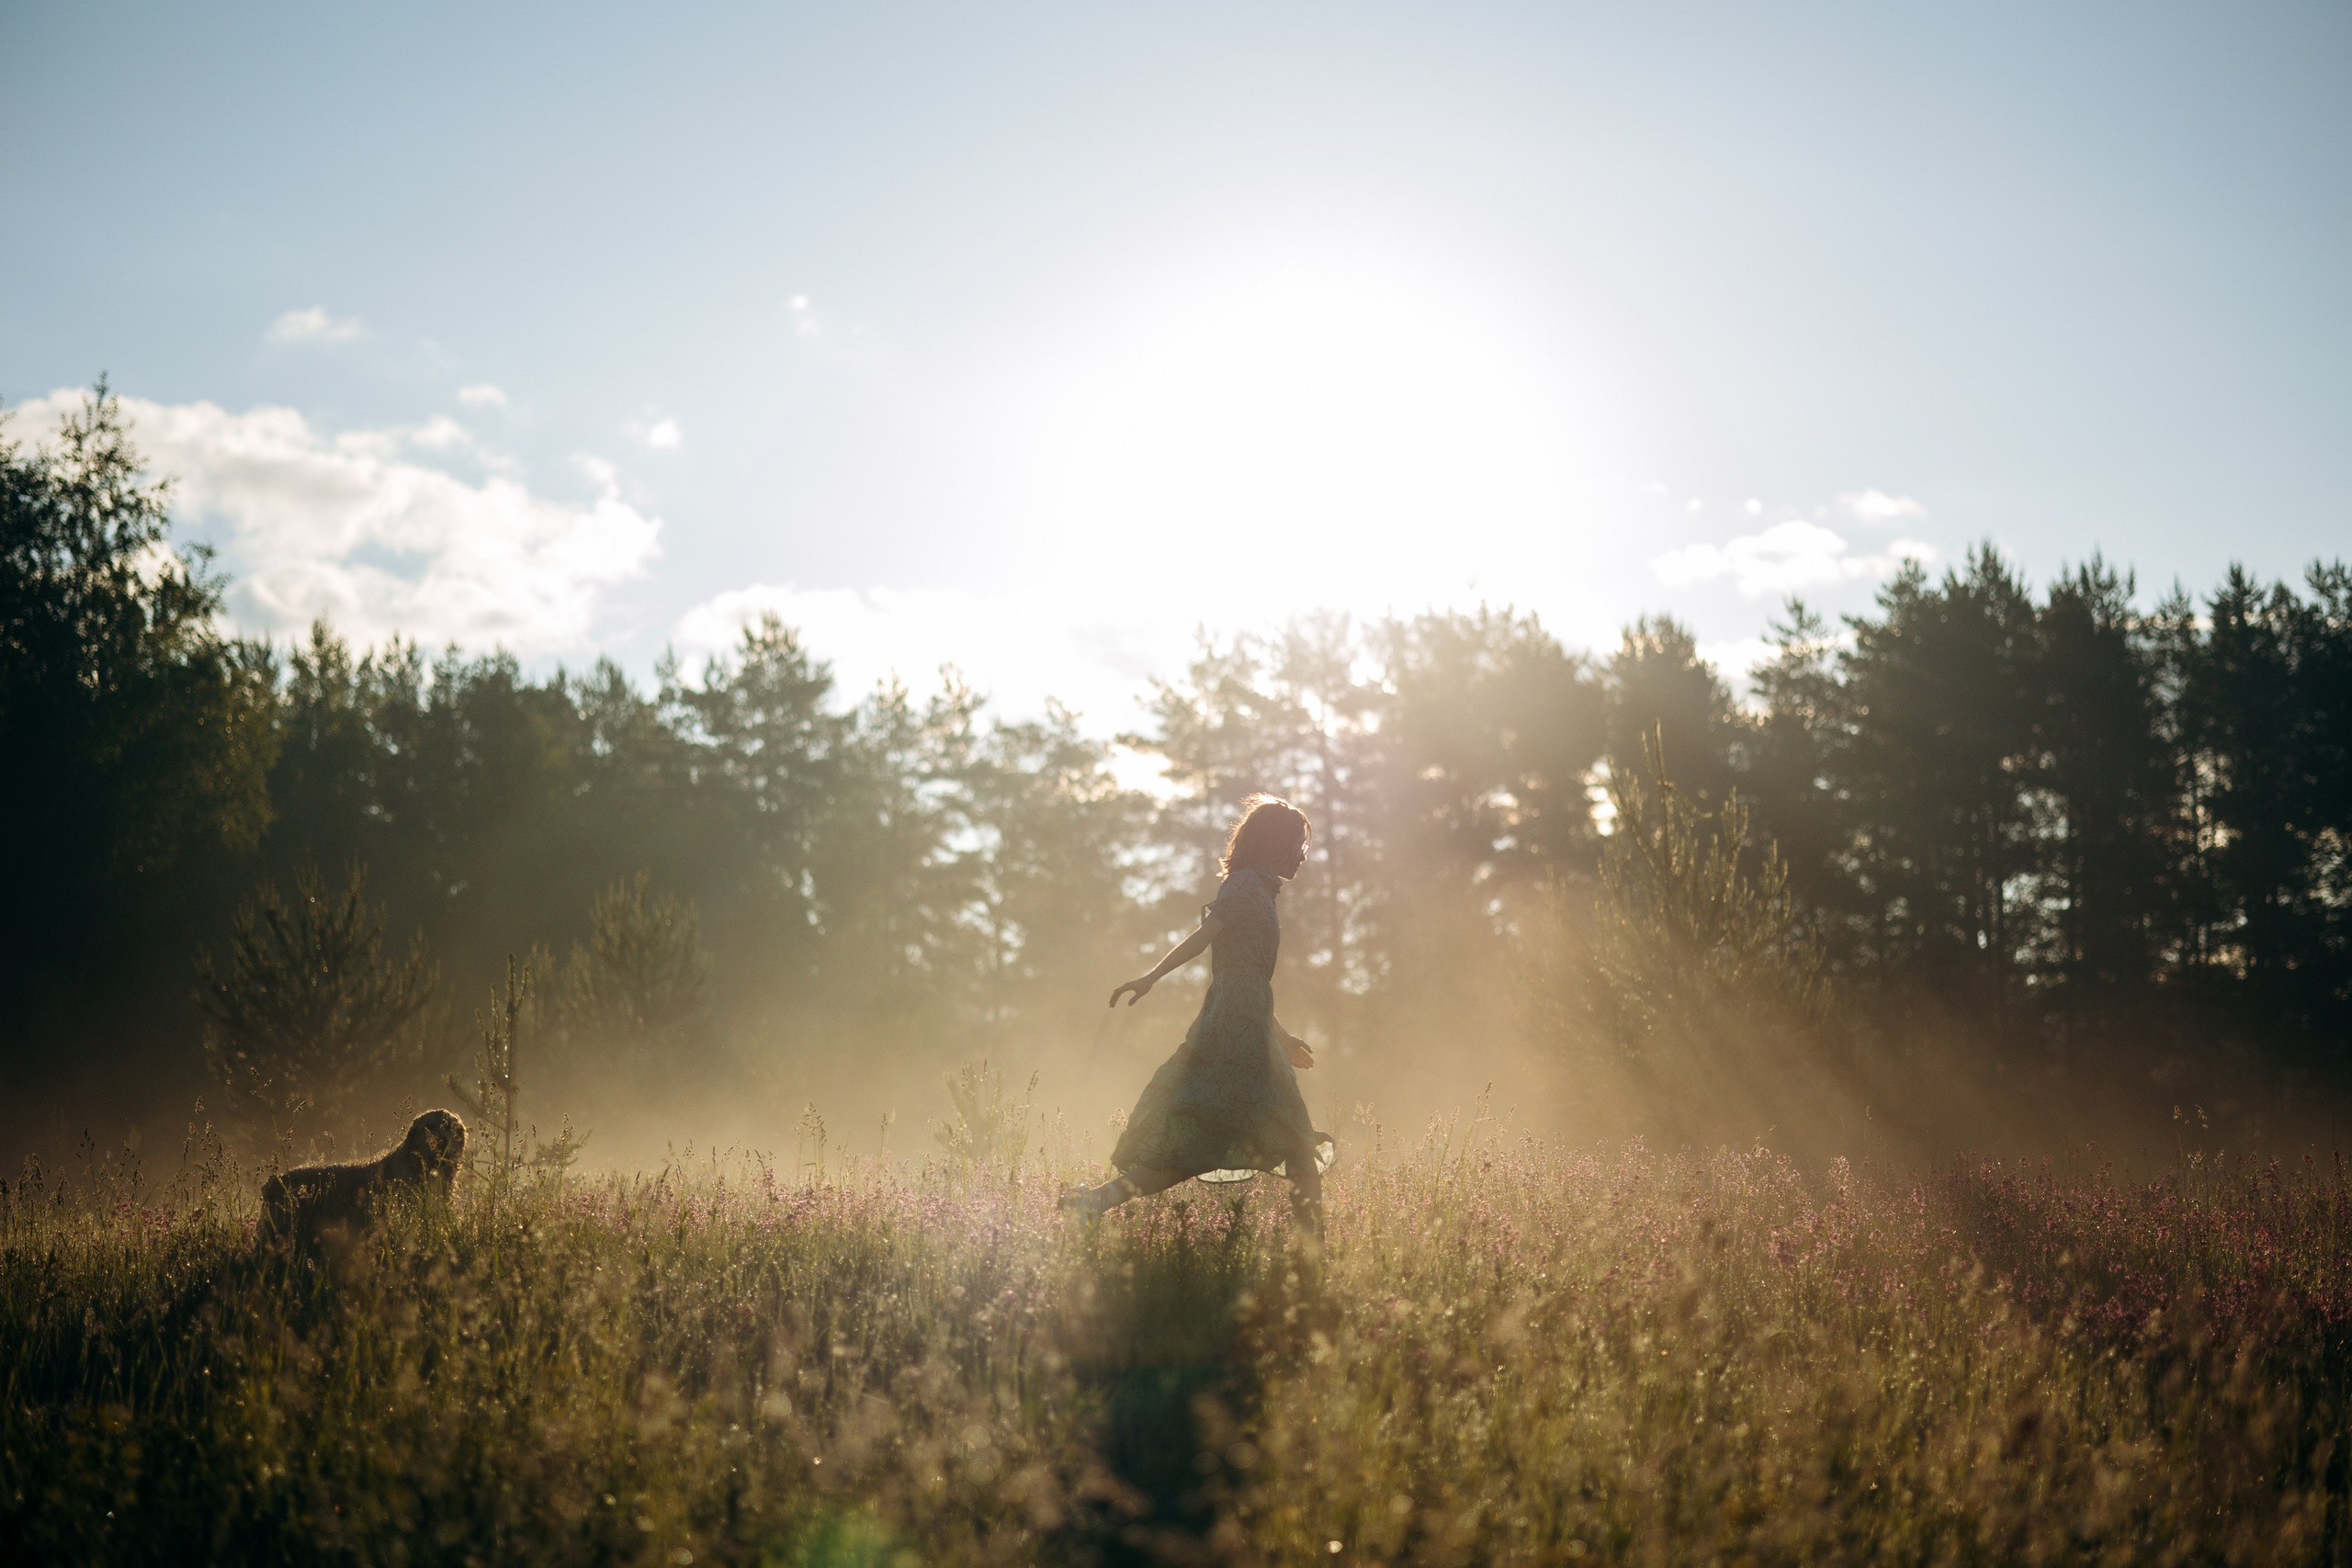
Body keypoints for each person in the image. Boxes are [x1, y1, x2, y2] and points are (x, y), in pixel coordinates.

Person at [1064, 794, 1336, 1236]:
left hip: (1245, 1023)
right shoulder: (1246, 885)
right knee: (1292, 1138)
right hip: (1234, 1032)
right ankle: (1315, 1256)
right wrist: (1150, 977)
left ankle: (1094, 1201)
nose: (1301, 855)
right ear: (1273, 843)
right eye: (1295, 842)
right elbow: (1207, 939)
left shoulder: (1258, 890)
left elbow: (1246, 981)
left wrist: (1281, 1037)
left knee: (1200, 1144)